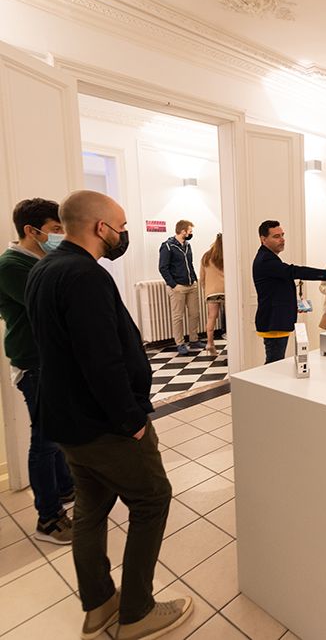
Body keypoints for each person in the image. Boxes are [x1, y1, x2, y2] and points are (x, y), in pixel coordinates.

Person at [25, 191, 191, 640]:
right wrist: (131, 420)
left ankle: (98, 605)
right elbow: (101, 360)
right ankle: (137, 611)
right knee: (152, 499)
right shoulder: (85, 275)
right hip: (103, 425)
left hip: (67, 419)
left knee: (91, 508)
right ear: (101, 227)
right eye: (121, 226)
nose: (123, 234)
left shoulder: (44, 268)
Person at [0, 198, 74, 545]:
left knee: (58, 431)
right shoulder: (11, 265)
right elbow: (53, 306)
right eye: (55, 229)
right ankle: (49, 518)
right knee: (44, 439)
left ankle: (65, 488)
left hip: (51, 359)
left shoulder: (41, 261)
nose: (60, 236)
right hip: (34, 362)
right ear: (31, 231)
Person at [253, 220, 326, 364]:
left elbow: (277, 289)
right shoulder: (266, 260)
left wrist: (292, 305)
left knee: (275, 363)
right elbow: (294, 271)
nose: (282, 239)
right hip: (273, 321)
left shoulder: (270, 258)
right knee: (273, 364)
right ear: (263, 239)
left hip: (276, 320)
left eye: (282, 235)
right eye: (276, 236)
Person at [158, 220, 205, 356]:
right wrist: (173, 285)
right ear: (183, 231)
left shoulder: (187, 245)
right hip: (178, 287)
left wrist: (194, 280)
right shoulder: (167, 246)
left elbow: (189, 264)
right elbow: (163, 268)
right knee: (178, 317)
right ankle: (180, 343)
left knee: (195, 314)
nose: (191, 233)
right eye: (190, 231)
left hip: (191, 285)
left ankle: (194, 340)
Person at [200, 233, 225, 356]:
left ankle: (210, 343)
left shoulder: (206, 256)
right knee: (230, 318)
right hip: (226, 290)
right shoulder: (226, 255)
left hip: (212, 292)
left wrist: (206, 289)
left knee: (211, 318)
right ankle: (233, 343)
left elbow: (202, 277)